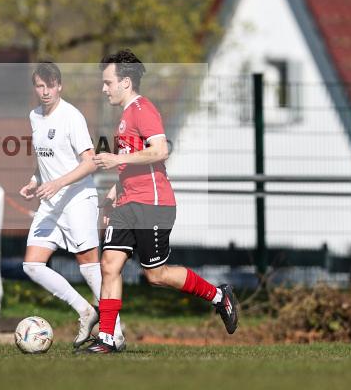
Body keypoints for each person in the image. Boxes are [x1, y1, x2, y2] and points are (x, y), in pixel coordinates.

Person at [84, 49, 238, 354]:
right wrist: (111, 198)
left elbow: (160, 151)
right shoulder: (125, 117)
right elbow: (131, 165)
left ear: (125, 82)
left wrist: (116, 158)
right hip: (128, 204)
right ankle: (106, 338)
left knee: (156, 275)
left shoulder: (143, 110)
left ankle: (219, 296)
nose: (104, 89)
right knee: (109, 264)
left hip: (152, 205)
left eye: (108, 82)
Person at [18, 61, 125, 349]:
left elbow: (90, 162)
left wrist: (58, 183)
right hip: (51, 203)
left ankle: (114, 331)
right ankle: (85, 310)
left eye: (49, 86)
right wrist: (34, 180)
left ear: (59, 86)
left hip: (77, 199)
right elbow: (45, 160)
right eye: (39, 86)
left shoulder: (71, 117)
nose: (44, 92)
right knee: (32, 265)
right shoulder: (34, 117)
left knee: (89, 266)